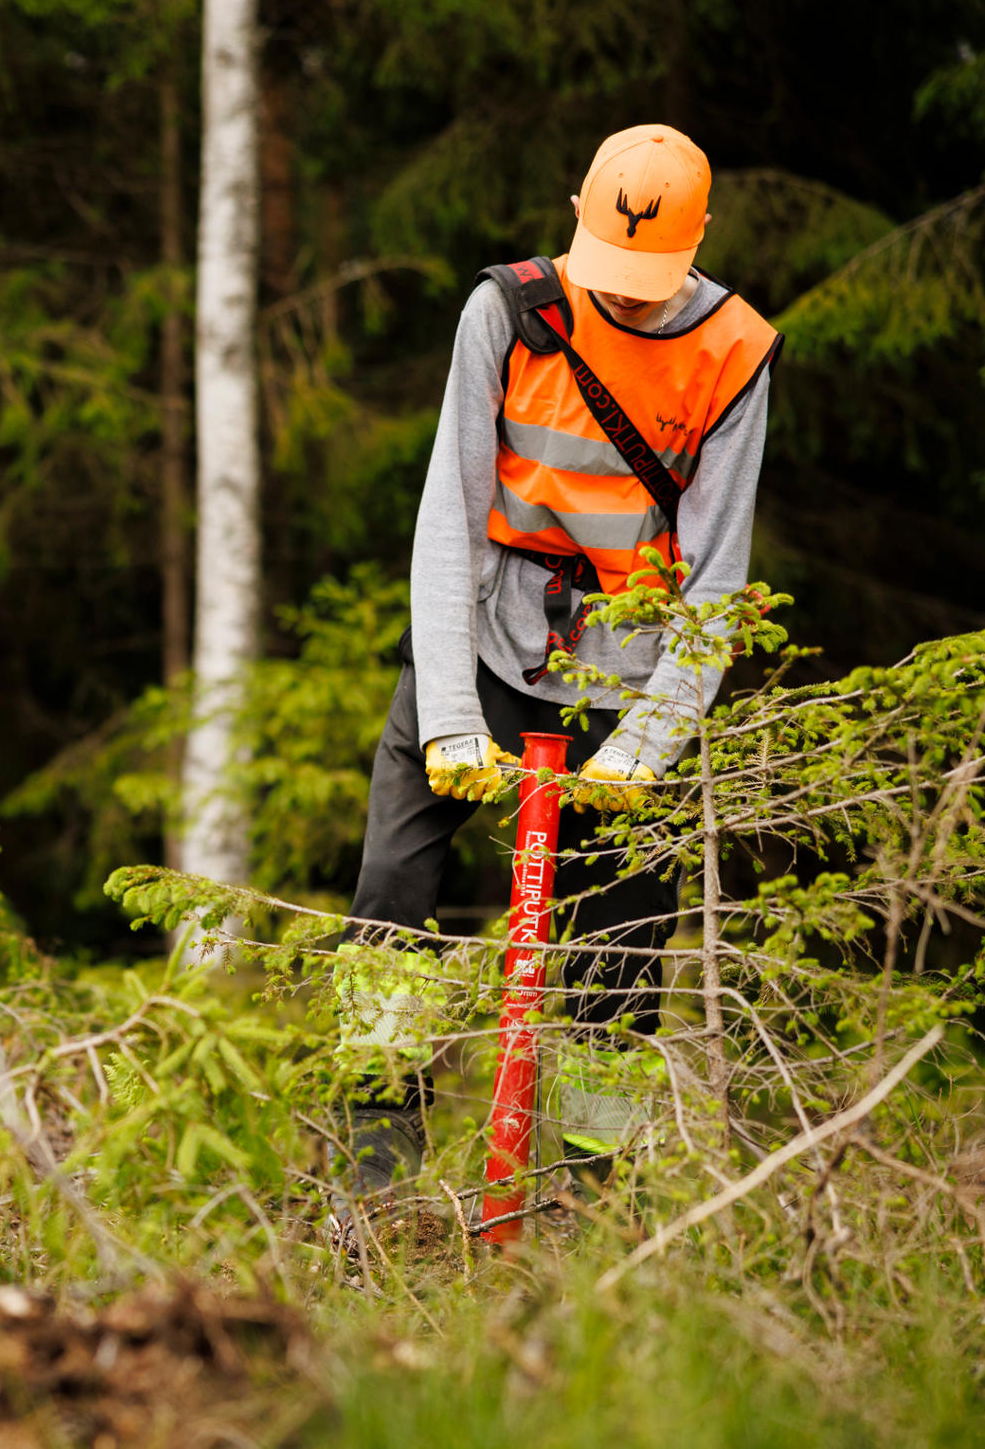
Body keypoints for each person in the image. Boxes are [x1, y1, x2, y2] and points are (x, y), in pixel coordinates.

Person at [335, 124, 781, 1207]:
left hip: (624, 677)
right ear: (576, 213)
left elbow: (715, 583)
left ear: (697, 241)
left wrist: (642, 744)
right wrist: (446, 712)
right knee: (390, 899)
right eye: (611, 275)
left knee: (619, 953)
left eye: (648, 280)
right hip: (483, 643)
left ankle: (588, 1195)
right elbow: (449, 516)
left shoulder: (732, 349)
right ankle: (367, 1178)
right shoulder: (507, 311)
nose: (626, 300)